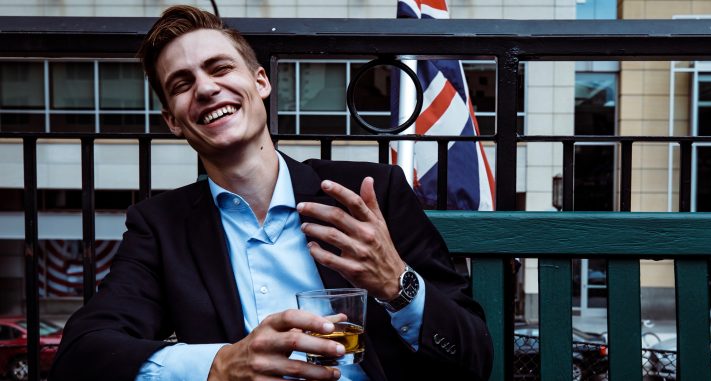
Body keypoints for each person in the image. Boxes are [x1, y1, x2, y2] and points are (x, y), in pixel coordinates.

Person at [50, 5, 492, 381]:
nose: (205, 88)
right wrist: (219, 364)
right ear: (173, 121)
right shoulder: (161, 226)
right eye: (182, 84)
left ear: (261, 82)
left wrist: (398, 285)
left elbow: (474, 355)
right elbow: (80, 357)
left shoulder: (370, 194)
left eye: (220, 68)